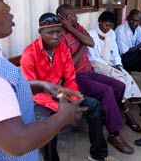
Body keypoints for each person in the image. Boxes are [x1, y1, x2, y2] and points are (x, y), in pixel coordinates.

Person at [0, 0, 86, 161]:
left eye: (58, 32)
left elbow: (6, 88)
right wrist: (62, 116)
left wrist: (41, 85)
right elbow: (18, 142)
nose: (9, 7)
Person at [20, 13, 109, 161]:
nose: (55, 36)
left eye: (58, 32)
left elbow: (70, 79)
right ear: (40, 32)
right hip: (38, 99)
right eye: (50, 33)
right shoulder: (29, 54)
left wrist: (72, 99)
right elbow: (32, 90)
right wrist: (59, 109)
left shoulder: (63, 49)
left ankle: (98, 154)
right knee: (45, 122)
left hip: (60, 93)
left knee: (94, 105)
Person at [55, 5, 134, 154]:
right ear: (63, 17)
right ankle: (114, 134)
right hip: (76, 78)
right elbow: (70, 65)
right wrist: (82, 45)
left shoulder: (76, 26)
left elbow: (90, 42)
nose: (76, 18)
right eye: (72, 16)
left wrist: (73, 30)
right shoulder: (59, 37)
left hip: (89, 71)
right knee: (107, 91)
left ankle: (108, 115)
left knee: (119, 86)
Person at [87, 10, 141, 133]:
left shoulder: (111, 34)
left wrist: (119, 65)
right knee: (120, 81)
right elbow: (92, 58)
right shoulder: (90, 35)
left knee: (128, 77)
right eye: (106, 25)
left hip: (111, 64)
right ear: (100, 22)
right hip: (97, 65)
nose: (108, 28)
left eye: (110, 26)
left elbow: (115, 52)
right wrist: (109, 65)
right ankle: (128, 116)